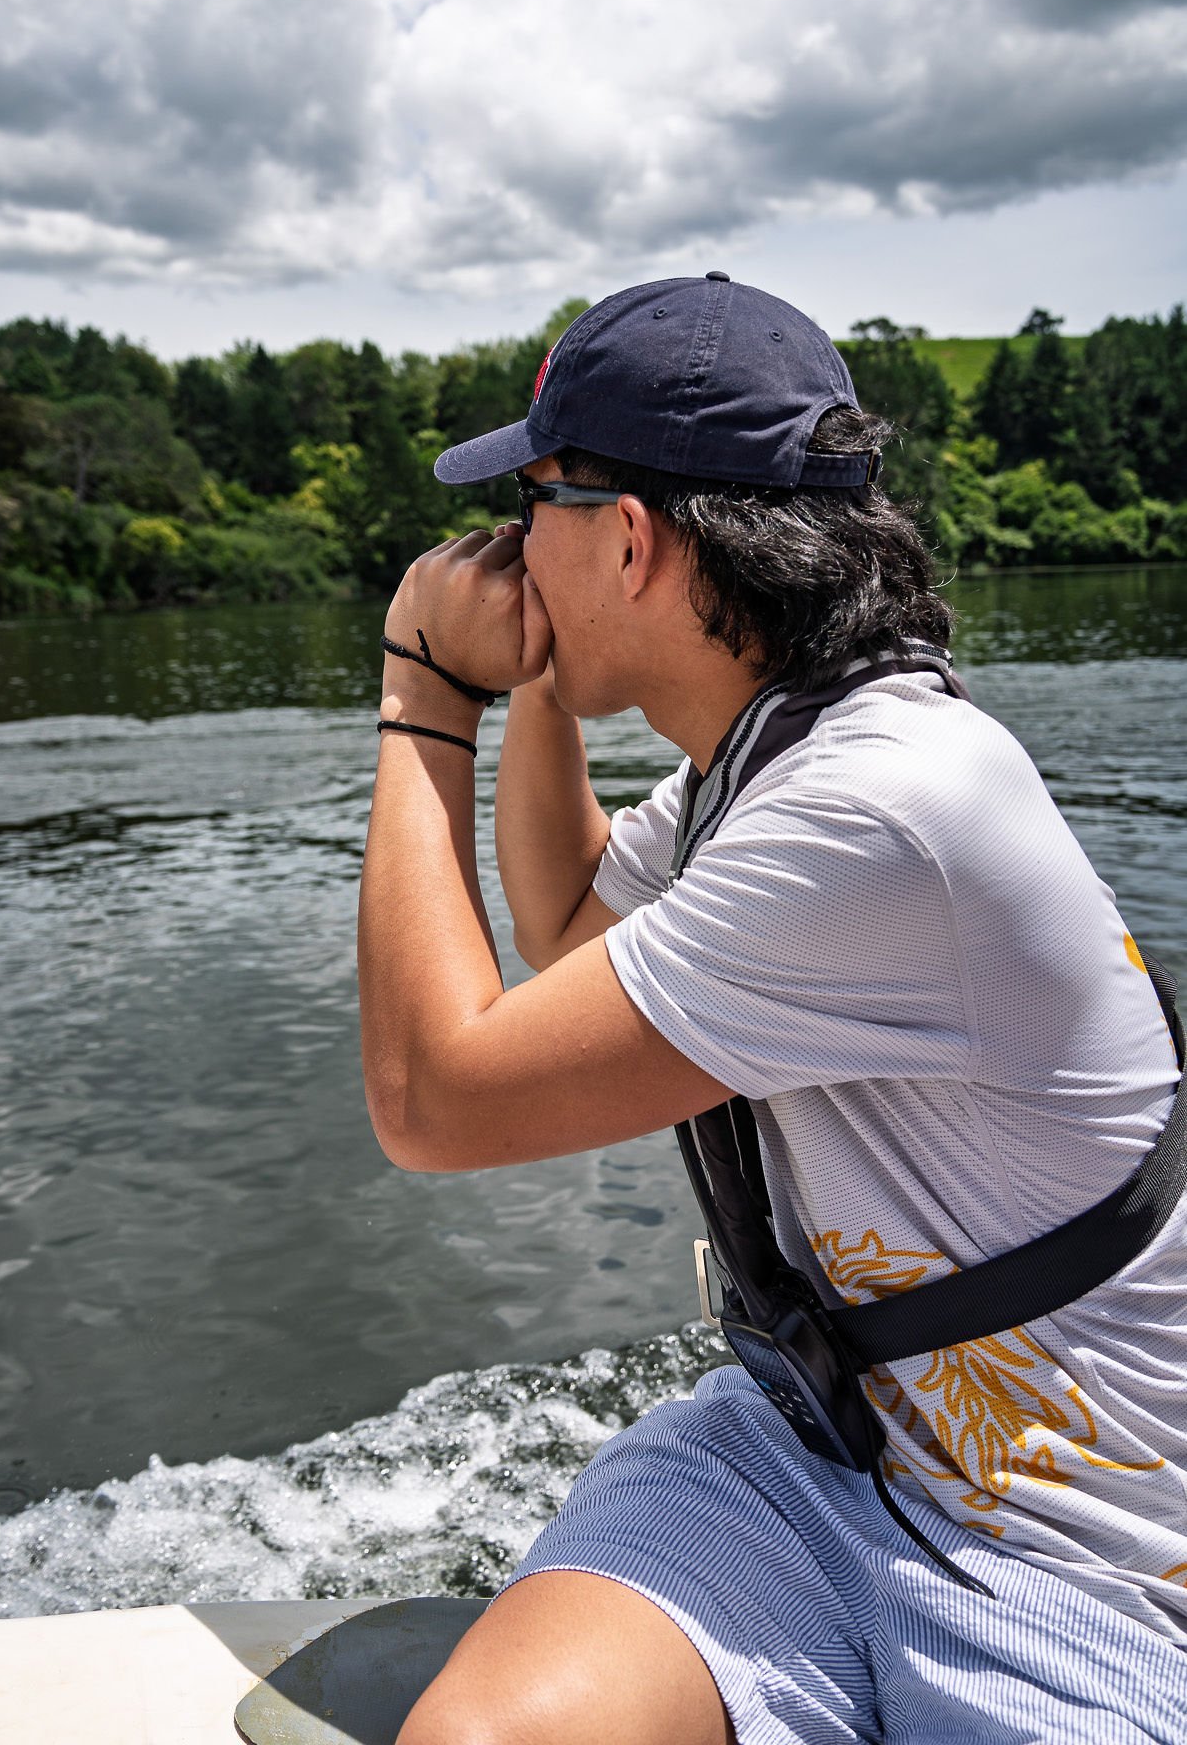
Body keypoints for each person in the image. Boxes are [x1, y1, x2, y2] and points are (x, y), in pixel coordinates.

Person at [357, 274, 1187, 1745]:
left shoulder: (879, 812)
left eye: (530, 504)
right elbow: (565, 925)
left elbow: (438, 1101)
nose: (495, 546)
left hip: (1070, 1554)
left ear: (627, 537)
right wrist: (544, 677)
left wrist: (425, 696)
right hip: (823, 1456)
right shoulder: (774, 759)